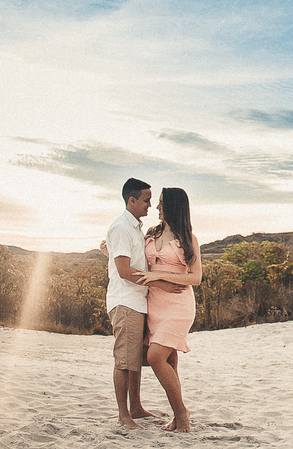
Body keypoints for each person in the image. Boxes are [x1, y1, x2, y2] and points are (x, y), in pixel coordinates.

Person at [136, 187, 202, 433]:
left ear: (174, 206)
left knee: (155, 357)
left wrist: (160, 275)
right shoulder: (153, 233)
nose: (157, 207)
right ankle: (177, 416)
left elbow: (196, 278)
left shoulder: (188, 238)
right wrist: (110, 250)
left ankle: (182, 414)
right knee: (170, 361)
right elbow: (136, 260)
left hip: (178, 304)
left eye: (162, 203)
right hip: (155, 304)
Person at [104, 177, 158, 429]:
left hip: (138, 302)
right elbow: (124, 270)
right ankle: (123, 415)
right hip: (125, 302)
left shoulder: (134, 227)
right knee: (124, 361)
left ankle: (136, 407)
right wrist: (157, 281)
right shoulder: (122, 228)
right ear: (132, 200)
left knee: (135, 358)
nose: (149, 205)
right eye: (146, 200)